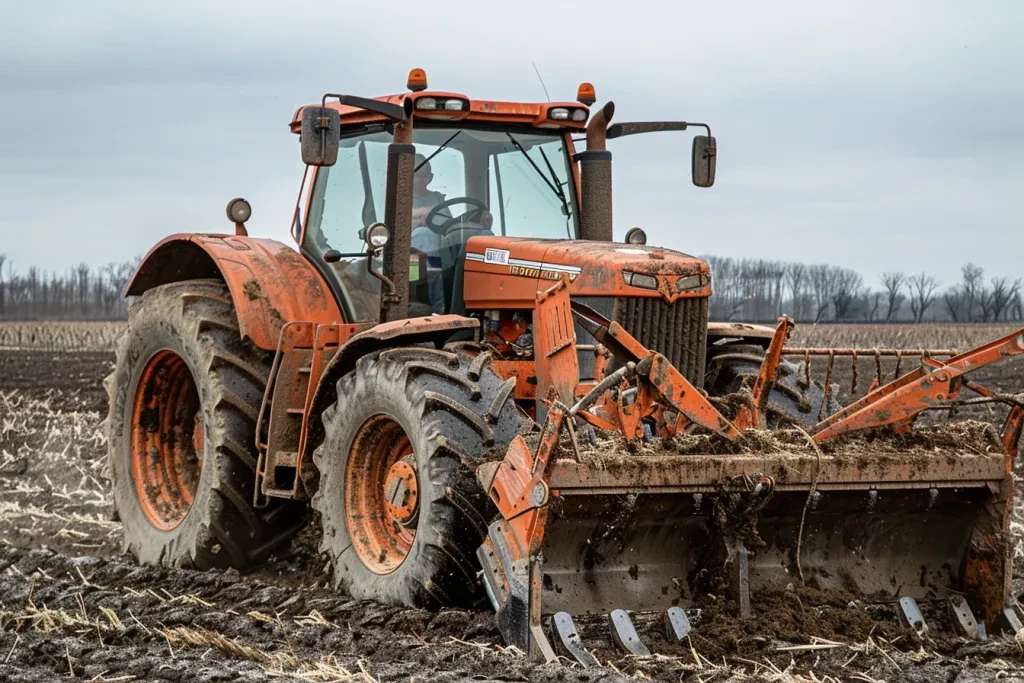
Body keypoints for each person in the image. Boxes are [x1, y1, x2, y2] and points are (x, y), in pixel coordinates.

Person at [410, 153, 450, 314]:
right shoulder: (397, 199)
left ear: (430, 178)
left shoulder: (438, 200)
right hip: (410, 264)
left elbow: (448, 226)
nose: (421, 180)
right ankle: (416, 295)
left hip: (438, 259)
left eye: (421, 176)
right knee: (422, 235)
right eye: (413, 174)